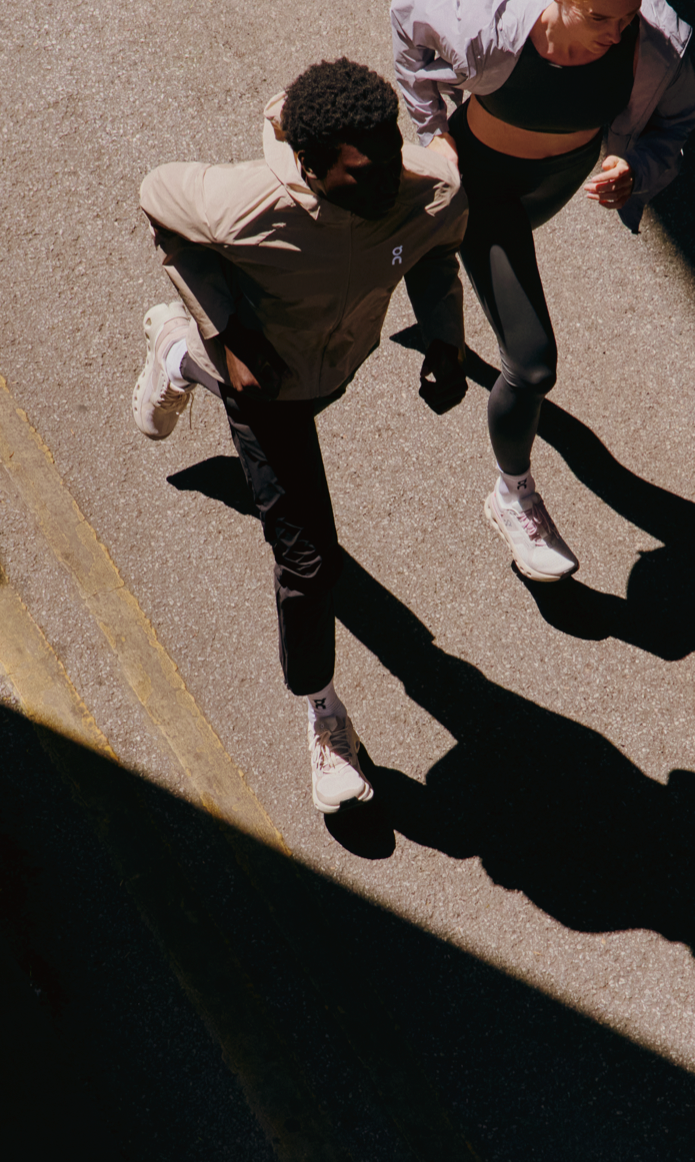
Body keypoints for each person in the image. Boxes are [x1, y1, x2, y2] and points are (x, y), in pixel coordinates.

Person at [131, 57, 468, 813]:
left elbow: (436, 251)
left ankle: (175, 353)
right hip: (270, 386)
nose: (390, 179)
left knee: (314, 521)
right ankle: (323, 713)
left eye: (391, 152)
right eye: (364, 169)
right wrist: (228, 333)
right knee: (311, 562)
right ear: (311, 166)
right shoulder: (241, 205)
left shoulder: (429, 189)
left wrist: (444, 339)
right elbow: (158, 200)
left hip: (333, 368)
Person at [390, 0, 695, 582]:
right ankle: (512, 495)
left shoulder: (654, 48)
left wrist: (637, 170)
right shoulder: (489, 29)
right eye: (599, 18)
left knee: (461, 264)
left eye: (625, 18)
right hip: (484, 188)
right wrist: (428, 130)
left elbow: (676, 124)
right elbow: (406, 17)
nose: (615, 35)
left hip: (550, 188)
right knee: (532, 366)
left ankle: (436, 297)